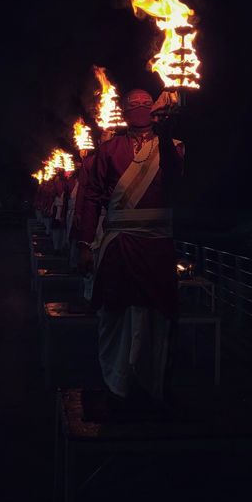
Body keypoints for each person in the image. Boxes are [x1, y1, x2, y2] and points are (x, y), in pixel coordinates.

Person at [79, 89, 183, 410]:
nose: (139, 108)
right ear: (123, 111)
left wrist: (165, 135)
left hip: (157, 247)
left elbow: (176, 182)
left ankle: (151, 387)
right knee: (115, 313)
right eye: (133, 104)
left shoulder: (174, 147)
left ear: (154, 110)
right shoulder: (108, 149)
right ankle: (116, 382)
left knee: (157, 316)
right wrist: (84, 243)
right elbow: (91, 197)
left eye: (145, 104)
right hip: (119, 246)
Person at [50, 173, 66, 254]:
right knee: (56, 229)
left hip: (64, 209)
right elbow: (53, 194)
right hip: (57, 208)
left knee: (62, 229)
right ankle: (56, 247)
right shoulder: (56, 184)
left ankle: (61, 247)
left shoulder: (65, 183)